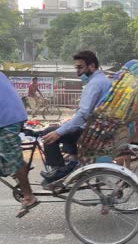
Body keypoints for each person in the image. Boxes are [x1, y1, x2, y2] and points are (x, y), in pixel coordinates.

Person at [41, 51, 112, 185]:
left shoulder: (94, 84)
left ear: (91, 66)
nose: (78, 72)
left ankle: (59, 171)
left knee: (48, 132)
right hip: (98, 126)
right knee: (69, 126)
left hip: (92, 131)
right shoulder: (103, 80)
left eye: (80, 67)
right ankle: (72, 162)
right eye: (77, 68)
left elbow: (83, 114)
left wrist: (58, 132)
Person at [0, 71, 39, 218]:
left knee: (12, 157)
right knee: (8, 155)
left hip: (7, 119)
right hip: (11, 115)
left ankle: (29, 196)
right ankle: (19, 170)